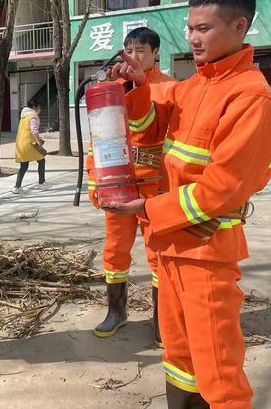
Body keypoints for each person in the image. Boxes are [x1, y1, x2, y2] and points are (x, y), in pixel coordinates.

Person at [103, 0, 271, 408]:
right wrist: (137, 88)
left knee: (218, 369)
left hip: (206, 251)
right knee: (179, 355)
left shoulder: (251, 99)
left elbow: (220, 190)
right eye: (190, 28)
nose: (193, 38)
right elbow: (147, 131)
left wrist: (149, 207)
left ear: (240, 26)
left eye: (203, 28)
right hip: (170, 247)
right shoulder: (192, 87)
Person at [86, 27, 174, 342]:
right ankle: (116, 310)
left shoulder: (171, 89)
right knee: (115, 248)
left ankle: (162, 318)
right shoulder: (111, 88)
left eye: (141, 50)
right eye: (129, 50)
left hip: (156, 185)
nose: (134, 56)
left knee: (158, 251)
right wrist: (95, 181)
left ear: (156, 53)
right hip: (119, 184)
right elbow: (99, 140)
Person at [13, 100, 50, 194]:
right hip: (30, 143)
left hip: (21, 144)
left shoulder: (23, 116)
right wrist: (39, 143)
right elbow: (34, 131)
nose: (40, 109)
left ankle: (17, 187)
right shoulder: (32, 115)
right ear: (34, 107)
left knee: (24, 165)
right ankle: (41, 183)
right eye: (39, 107)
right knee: (41, 160)